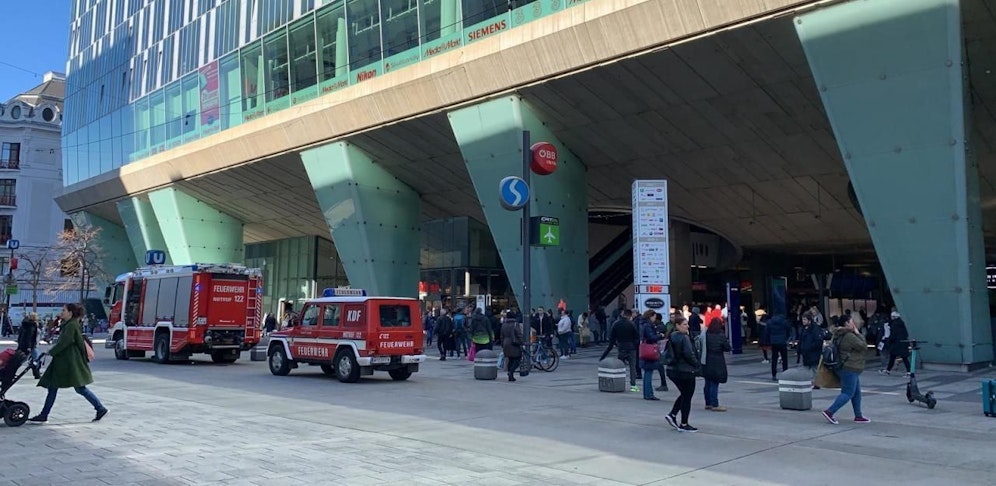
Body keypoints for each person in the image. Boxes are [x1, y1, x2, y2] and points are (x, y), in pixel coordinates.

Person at [29, 303, 108, 423]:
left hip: (69, 362)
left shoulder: (71, 325)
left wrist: (52, 351)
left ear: (70, 313)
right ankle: (44, 414)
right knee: (60, 387)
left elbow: (65, 342)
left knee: (77, 388)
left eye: (64, 310)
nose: (61, 312)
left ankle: (100, 408)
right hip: (67, 361)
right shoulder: (70, 324)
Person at [821, 314, 870, 424]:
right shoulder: (849, 336)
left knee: (856, 392)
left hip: (843, 365)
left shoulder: (838, 334)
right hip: (850, 366)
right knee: (848, 393)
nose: (854, 323)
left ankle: (858, 415)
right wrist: (858, 333)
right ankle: (830, 411)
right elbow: (863, 346)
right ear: (847, 323)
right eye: (852, 321)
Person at [665, 316, 700, 432]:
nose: (687, 326)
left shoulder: (672, 336)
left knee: (685, 394)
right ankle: (683, 423)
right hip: (685, 371)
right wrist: (697, 365)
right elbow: (689, 354)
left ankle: (673, 414)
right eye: (685, 324)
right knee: (687, 396)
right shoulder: (684, 338)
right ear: (677, 326)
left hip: (673, 370)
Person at [599, 309, 640, 393]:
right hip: (631, 348)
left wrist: (605, 354)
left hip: (621, 347)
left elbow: (611, 337)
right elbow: (637, 336)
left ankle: (619, 383)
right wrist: (635, 346)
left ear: (623, 314)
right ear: (629, 316)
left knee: (620, 367)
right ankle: (633, 385)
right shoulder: (632, 324)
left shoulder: (616, 324)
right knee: (632, 367)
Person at [702, 317, 731, 411]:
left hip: (706, 359)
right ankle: (715, 404)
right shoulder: (720, 335)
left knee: (707, 382)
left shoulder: (706, 334)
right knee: (715, 382)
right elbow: (727, 348)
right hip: (717, 360)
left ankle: (708, 403)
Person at [638, 310, 663, 401]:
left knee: (647, 372)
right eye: (654, 317)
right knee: (649, 372)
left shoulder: (642, 324)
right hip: (650, 349)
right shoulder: (648, 325)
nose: (654, 319)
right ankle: (649, 394)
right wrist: (660, 336)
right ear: (651, 316)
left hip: (645, 348)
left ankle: (647, 393)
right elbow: (651, 337)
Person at [798, 315, 824, 387]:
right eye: (803, 319)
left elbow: (818, 341)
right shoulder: (803, 329)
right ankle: (810, 382)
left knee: (814, 368)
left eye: (805, 320)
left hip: (813, 352)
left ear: (809, 321)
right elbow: (801, 340)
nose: (803, 321)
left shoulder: (815, 329)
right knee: (807, 368)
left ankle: (816, 383)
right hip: (806, 352)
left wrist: (810, 347)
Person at [764, 314, 791, 381]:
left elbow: (767, 332)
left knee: (774, 359)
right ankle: (785, 374)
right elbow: (788, 330)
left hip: (774, 342)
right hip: (782, 341)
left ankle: (774, 375)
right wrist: (786, 338)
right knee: (784, 359)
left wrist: (770, 340)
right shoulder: (784, 321)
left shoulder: (770, 322)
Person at [16, 312, 41, 379]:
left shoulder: (26, 324)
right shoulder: (31, 325)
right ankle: (37, 373)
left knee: (31, 359)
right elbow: (29, 336)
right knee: (36, 359)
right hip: (31, 346)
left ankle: (37, 374)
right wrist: (29, 346)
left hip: (30, 345)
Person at [500, 315, 524, 382]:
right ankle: (511, 372)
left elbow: (501, 336)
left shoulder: (504, 325)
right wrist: (522, 342)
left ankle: (510, 375)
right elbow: (518, 334)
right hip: (514, 344)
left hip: (506, 343)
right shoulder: (515, 324)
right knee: (517, 359)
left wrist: (502, 344)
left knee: (510, 359)